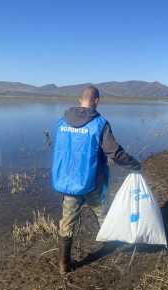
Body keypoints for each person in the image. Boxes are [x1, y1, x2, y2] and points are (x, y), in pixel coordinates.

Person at [51, 85, 141, 274]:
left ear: (79, 100)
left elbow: (62, 151)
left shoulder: (62, 122)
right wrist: (133, 164)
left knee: (67, 223)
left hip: (69, 183)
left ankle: (63, 265)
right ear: (97, 101)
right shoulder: (100, 123)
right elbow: (114, 152)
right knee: (103, 214)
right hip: (93, 182)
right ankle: (111, 247)